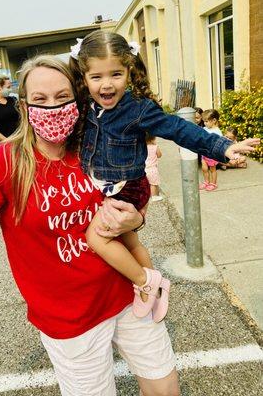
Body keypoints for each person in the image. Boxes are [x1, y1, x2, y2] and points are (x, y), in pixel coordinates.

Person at [0, 55, 183, 396]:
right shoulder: (7, 161)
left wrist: (136, 217)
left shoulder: (98, 147)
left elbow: (133, 200)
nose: (53, 107)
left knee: (165, 387)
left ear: (78, 99)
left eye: (63, 97)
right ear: (25, 106)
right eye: (40, 100)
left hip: (130, 293)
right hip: (70, 321)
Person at [68, 30, 259, 323]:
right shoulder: (84, 106)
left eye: (116, 74)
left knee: (97, 237)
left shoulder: (138, 109)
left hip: (128, 187)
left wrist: (223, 146)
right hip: (106, 187)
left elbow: (180, 130)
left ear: (129, 72)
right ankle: (157, 287)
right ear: (84, 77)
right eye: (97, 77)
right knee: (129, 242)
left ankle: (145, 283)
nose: (107, 84)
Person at [198, 109, 223, 191]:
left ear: (214, 120)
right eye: (204, 121)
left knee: (212, 169)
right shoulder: (205, 128)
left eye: (206, 121)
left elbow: (219, 143)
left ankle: (213, 183)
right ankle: (206, 182)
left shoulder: (217, 131)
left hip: (212, 154)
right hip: (204, 152)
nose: (204, 123)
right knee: (204, 168)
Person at [146, 135, 163, 202]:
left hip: (144, 168)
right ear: (152, 140)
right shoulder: (155, 147)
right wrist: (156, 146)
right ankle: (154, 196)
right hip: (152, 169)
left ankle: (147, 195)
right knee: (153, 184)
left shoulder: (143, 147)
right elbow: (159, 155)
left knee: (147, 183)